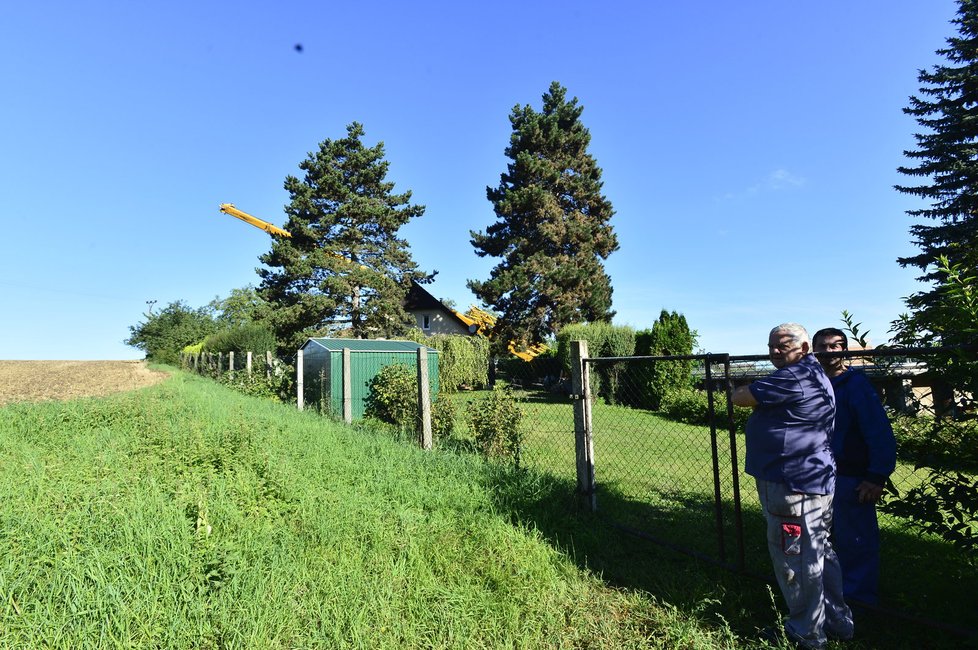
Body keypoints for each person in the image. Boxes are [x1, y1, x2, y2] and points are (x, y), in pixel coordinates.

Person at [733, 323, 853, 649]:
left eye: (782, 346)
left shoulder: (794, 376)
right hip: (812, 482)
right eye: (771, 345)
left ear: (802, 349)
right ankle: (837, 620)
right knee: (820, 553)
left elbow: (740, 397)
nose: (774, 351)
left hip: (792, 485)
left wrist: (754, 391)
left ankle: (806, 633)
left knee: (795, 559)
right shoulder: (813, 375)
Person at [812, 327, 897, 606]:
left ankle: (858, 601)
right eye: (822, 347)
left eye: (835, 346)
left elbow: (879, 432)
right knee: (821, 540)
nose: (828, 352)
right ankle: (827, 595)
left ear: (845, 349)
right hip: (815, 476)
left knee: (855, 541)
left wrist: (876, 475)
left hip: (850, 478)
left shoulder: (856, 385)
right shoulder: (813, 384)